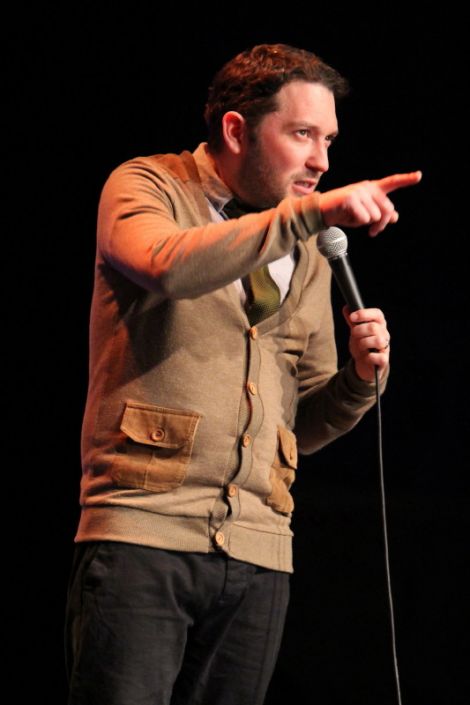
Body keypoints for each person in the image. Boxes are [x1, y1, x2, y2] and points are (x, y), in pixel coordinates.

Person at [65, 43, 421, 705]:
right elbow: (165, 263)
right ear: (236, 129)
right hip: (146, 533)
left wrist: (357, 381)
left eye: (330, 139)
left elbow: (303, 422)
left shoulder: (309, 249)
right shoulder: (147, 186)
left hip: (261, 555)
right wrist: (308, 217)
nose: (323, 161)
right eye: (302, 134)